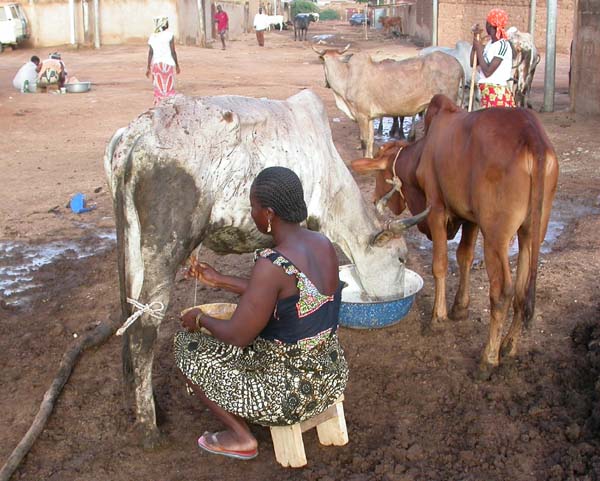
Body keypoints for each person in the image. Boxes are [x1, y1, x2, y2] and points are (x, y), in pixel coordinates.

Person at [174, 166, 349, 460]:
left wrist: (200, 319)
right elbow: (290, 296)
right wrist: (219, 280)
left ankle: (241, 437)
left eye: (253, 207)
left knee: (187, 346)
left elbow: (238, 337)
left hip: (287, 396)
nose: (252, 213)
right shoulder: (323, 244)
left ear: (268, 214)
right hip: (329, 376)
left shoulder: (272, 263)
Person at [471, 8, 515, 108]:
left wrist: (478, 49)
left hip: (497, 94)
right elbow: (472, 63)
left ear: (489, 25)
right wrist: (476, 39)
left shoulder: (503, 45)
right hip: (487, 92)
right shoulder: (490, 44)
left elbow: (487, 72)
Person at [146, 16, 180, 106]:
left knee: (158, 87)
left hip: (156, 64)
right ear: (164, 24)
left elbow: (150, 53)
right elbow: (173, 51)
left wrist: (148, 67)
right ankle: (169, 106)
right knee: (169, 87)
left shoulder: (153, 36)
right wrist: (177, 65)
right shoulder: (169, 35)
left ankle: (159, 106)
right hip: (168, 64)